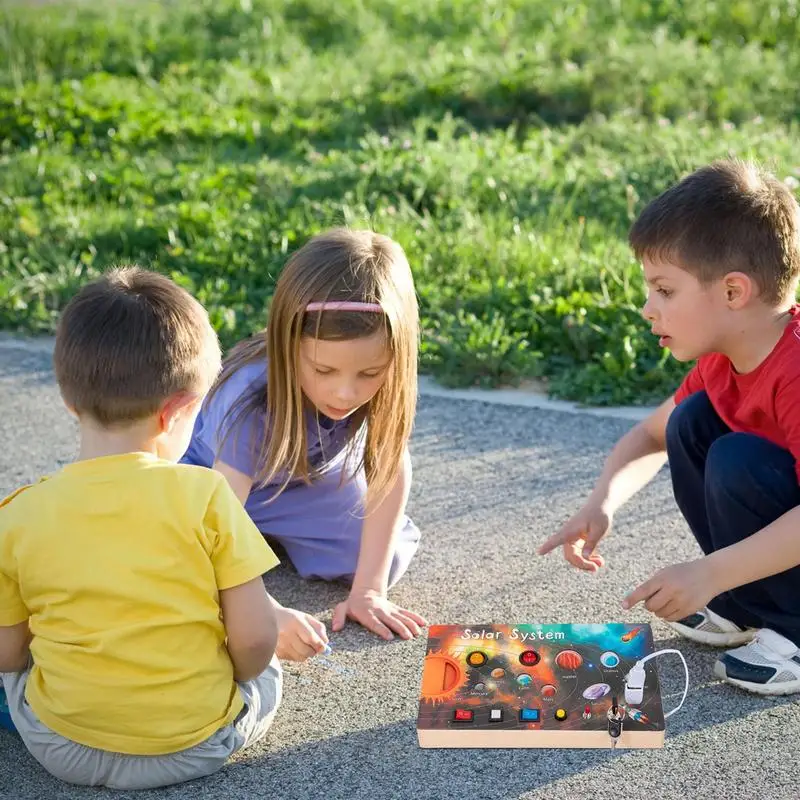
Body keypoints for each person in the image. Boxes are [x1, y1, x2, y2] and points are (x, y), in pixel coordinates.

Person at [0, 267, 282, 789]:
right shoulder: (206, 495)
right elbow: (256, 638)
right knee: (268, 675)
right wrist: (236, 678)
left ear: (69, 399)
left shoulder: (17, 513)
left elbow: (9, 652)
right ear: (175, 412)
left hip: (61, 747)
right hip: (193, 747)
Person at [538, 159, 800, 695]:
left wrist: (711, 572)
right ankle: (749, 607)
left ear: (733, 292)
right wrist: (601, 503)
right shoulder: (723, 358)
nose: (646, 307)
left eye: (664, 290)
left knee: (737, 459)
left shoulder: (794, 369)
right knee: (690, 423)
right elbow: (649, 437)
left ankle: (793, 629)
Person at [181, 228, 427, 662]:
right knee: (182, 565)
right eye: (323, 370)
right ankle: (249, 551)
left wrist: (369, 591)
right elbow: (218, 519)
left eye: (368, 374)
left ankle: (262, 543)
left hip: (293, 481)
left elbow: (390, 467)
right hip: (210, 487)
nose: (345, 394)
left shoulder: (383, 382)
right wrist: (264, 612)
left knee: (382, 558)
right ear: (287, 344)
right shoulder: (249, 400)